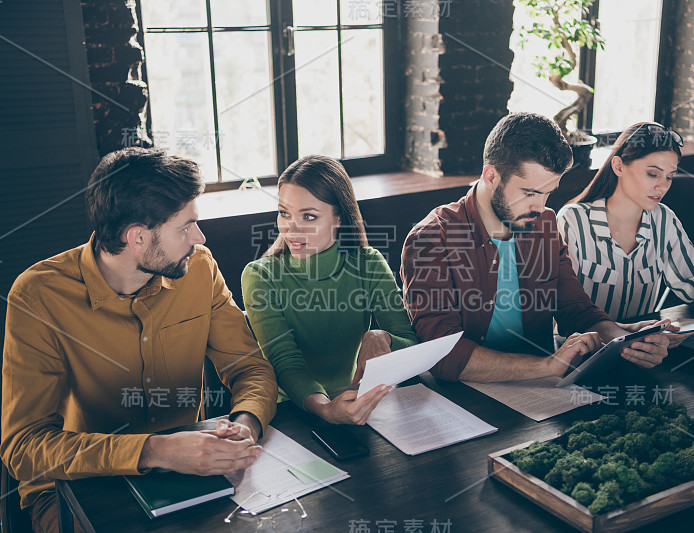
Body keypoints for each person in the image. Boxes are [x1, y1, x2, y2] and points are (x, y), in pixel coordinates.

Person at [1, 148, 278, 533]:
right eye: (185, 227)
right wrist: (153, 450)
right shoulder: (38, 296)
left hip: (190, 474)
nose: (199, 237)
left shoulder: (200, 269)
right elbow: (25, 448)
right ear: (138, 238)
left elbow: (250, 368)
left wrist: (245, 422)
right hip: (77, 489)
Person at [400, 112, 670, 383]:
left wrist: (625, 339)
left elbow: (575, 309)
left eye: (548, 193)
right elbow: (443, 354)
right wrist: (546, 366)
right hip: (464, 400)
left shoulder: (545, 224)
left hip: (541, 392)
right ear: (491, 175)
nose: (540, 207)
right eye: (529, 193)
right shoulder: (430, 238)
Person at [242, 155, 417, 425]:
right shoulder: (260, 276)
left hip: (355, 402)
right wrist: (326, 408)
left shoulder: (368, 263)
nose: (292, 229)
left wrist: (384, 338)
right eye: (284, 213)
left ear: (338, 218)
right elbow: (285, 363)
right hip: (292, 412)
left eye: (309, 217)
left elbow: (413, 346)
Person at [556, 122, 694, 343]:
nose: (662, 186)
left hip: (646, 352)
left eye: (669, 177)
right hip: (580, 354)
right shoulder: (573, 220)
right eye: (653, 174)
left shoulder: (663, 220)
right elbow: (563, 311)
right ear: (619, 166)